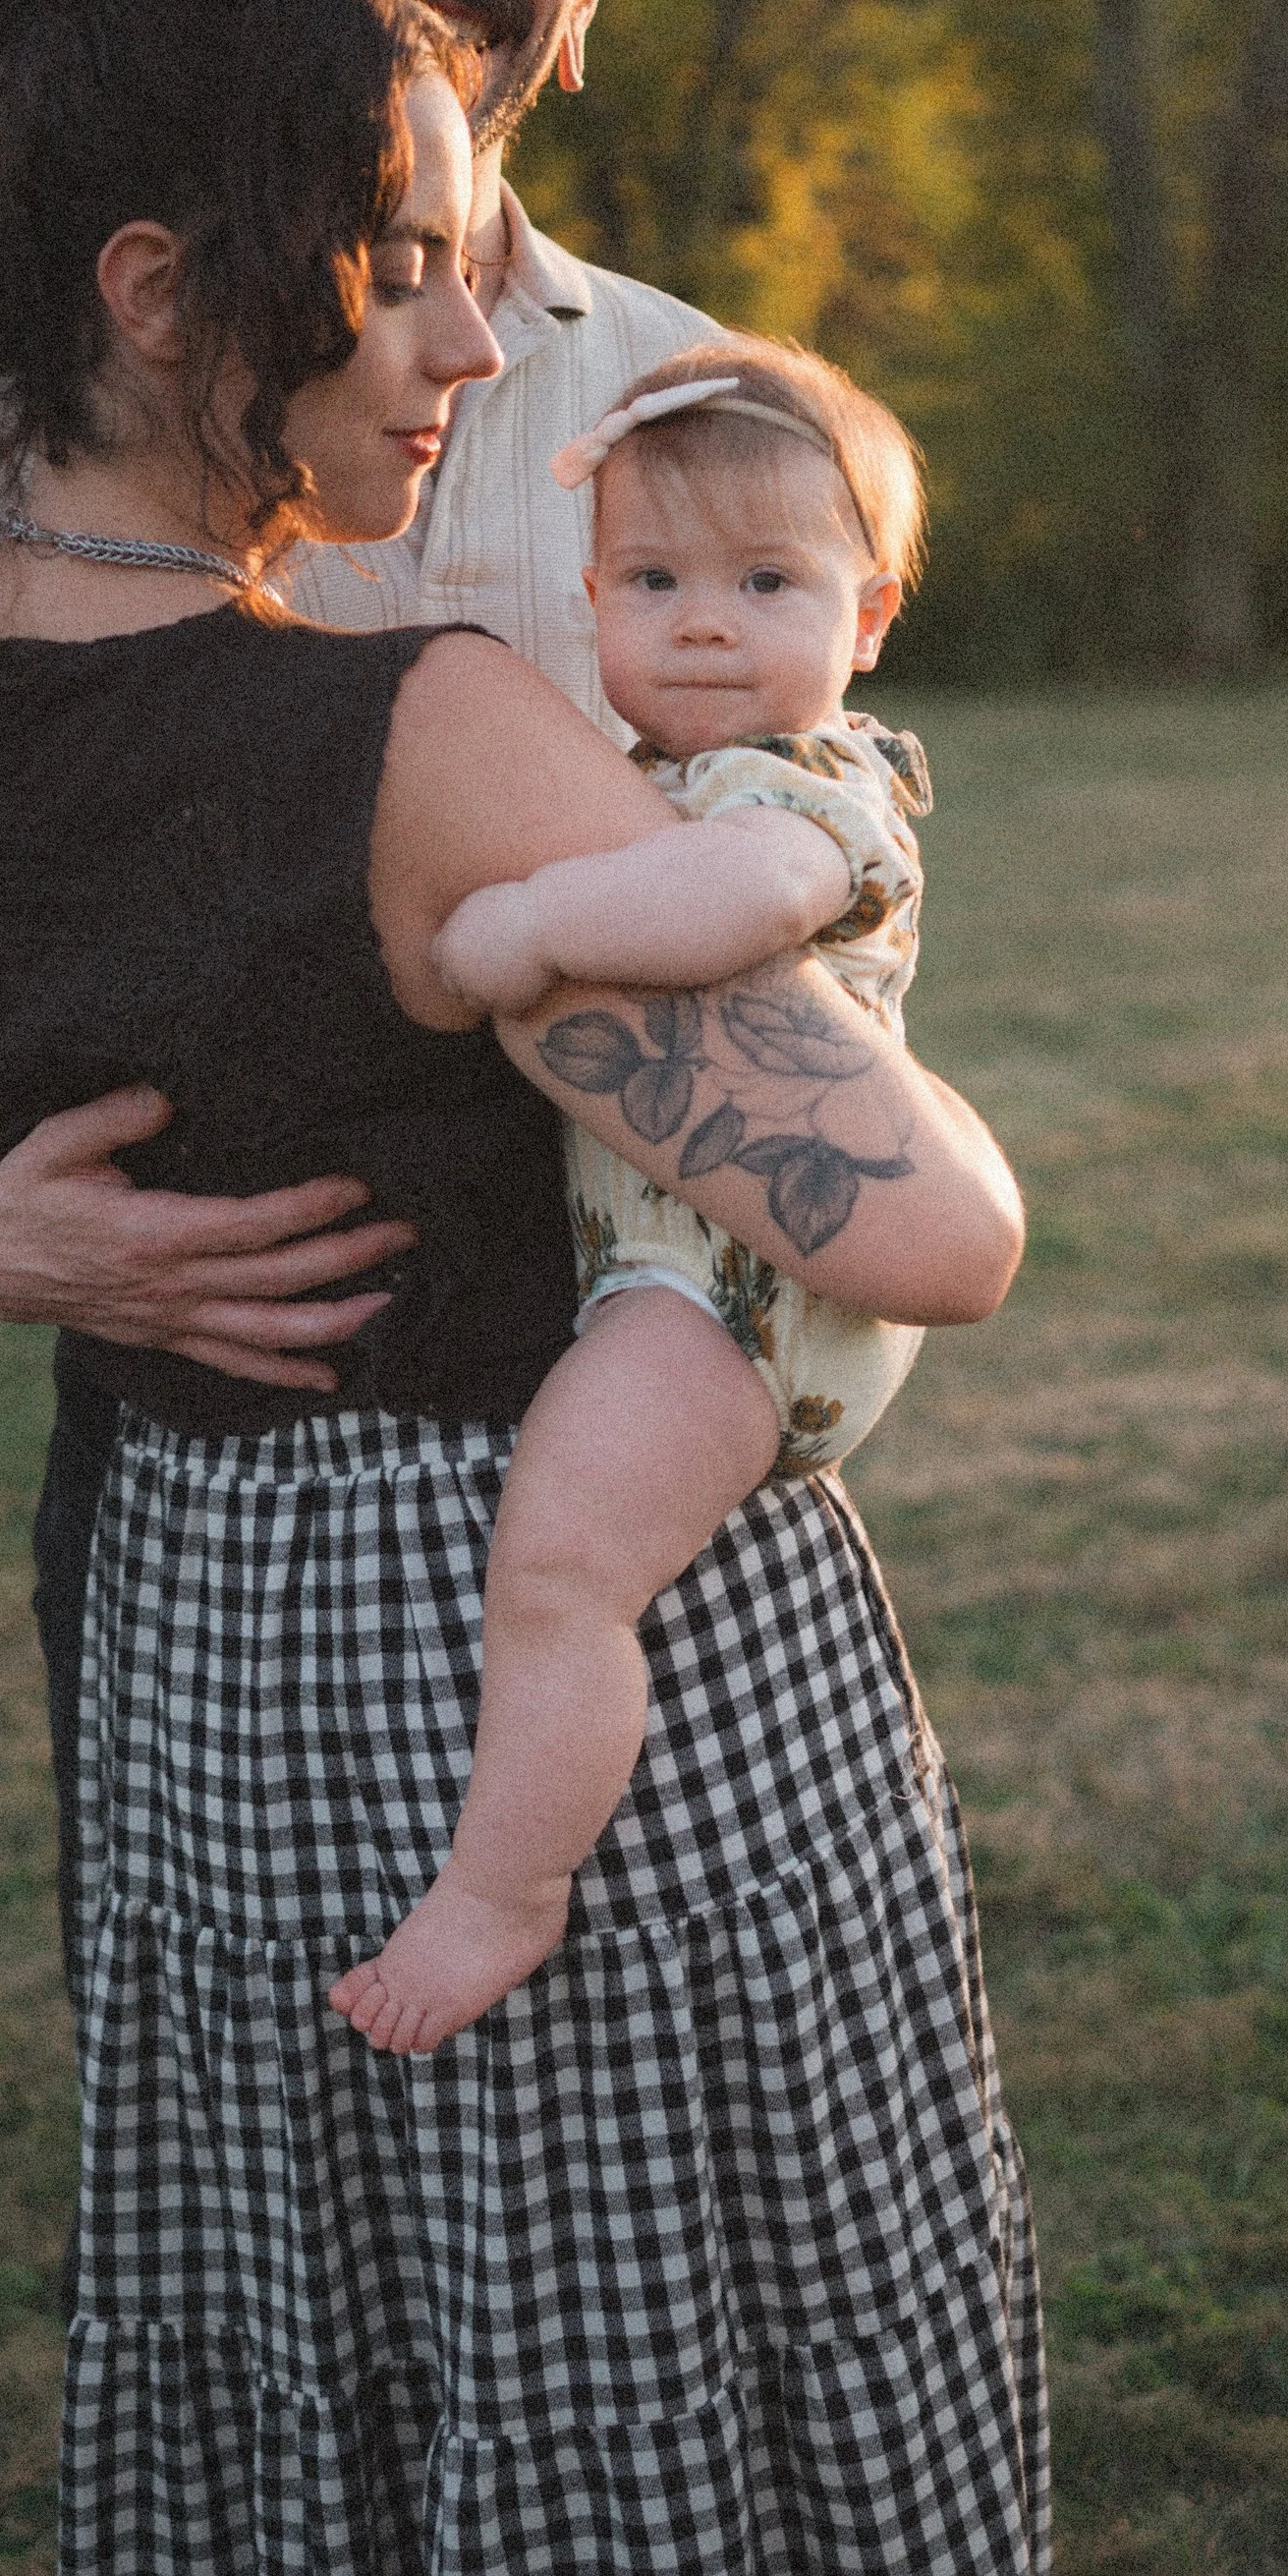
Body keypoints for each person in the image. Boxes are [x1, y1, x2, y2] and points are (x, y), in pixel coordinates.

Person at [0, 0, 1049, 2576]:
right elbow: (916, 1229)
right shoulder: (418, 729)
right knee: (660, 2367)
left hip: (194, 1649)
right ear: (162, 294)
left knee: (302, 2356)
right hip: (532, 1682)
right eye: (400, 263)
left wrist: (3, 1216)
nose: (464, 338)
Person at [0, 0, 744, 2003]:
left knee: (621, 2131)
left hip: (609, 1430)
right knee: (228, 2113)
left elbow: (800, 860)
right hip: (192, 1437)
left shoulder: (691, 398)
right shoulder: (1, 404)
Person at [331, 340, 941, 2057]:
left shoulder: (813, 786)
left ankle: (502, 1892)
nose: (702, 623)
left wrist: (525, 929)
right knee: (567, 1552)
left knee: (563, 1566)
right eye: (654, 581)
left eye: (767, 582)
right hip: (685, 1266)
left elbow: (735, 902)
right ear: (590, 595)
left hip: (741, 1288)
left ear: (869, 613)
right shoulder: (651, 769)